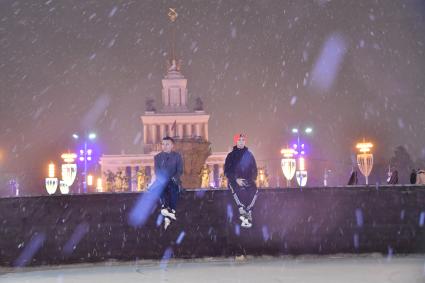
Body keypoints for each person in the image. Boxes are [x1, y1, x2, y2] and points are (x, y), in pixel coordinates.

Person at [224, 133, 258, 228]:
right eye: (239, 140)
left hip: (247, 180)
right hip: (235, 181)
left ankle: (248, 211)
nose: (241, 142)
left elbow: (254, 169)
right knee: (239, 191)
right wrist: (236, 179)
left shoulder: (249, 155)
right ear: (236, 141)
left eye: (243, 140)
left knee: (254, 190)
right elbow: (227, 171)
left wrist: (250, 180)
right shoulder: (230, 156)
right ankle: (243, 212)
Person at [154, 136, 183, 229]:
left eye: (167, 144)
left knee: (172, 188)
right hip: (162, 182)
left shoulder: (177, 156)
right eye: (163, 144)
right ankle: (167, 209)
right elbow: (157, 171)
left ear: (172, 145)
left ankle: (168, 209)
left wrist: (173, 178)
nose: (164, 146)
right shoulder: (157, 157)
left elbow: (180, 170)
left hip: (173, 181)